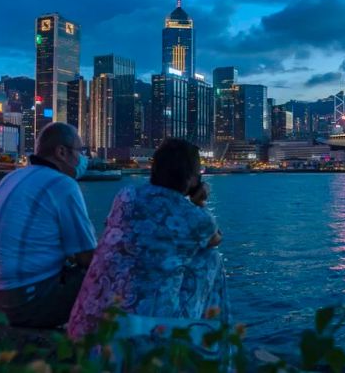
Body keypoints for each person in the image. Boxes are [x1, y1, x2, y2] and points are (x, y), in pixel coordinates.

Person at [67, 138, 227, 340]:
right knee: (210, 258)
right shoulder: (193, 217)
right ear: (193, 179)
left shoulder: (126, 196)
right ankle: (210, 343)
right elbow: (215, 238)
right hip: (137, 339)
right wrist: (198, 202)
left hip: (85, 329)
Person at [0, 122, 97, 328]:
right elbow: (87, 257)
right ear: (61, 152)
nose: (83, 158)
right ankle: (100, 349)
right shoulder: (62, 184)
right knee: (108, 274)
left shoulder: (12, 177)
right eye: (80, 151)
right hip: (22, 304)